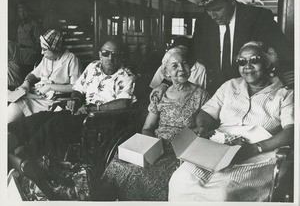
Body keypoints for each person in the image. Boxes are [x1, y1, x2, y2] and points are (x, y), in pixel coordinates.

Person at [8, 39, 136, 200]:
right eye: (106, 53)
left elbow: (124, 102)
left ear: (122, 57)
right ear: (100, 54)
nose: (110, 58)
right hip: (82, 112)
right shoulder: (92, 67)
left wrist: (92, 109)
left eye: (116, 55)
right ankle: (9, 136)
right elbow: (78, 89)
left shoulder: (126, 75)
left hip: (99, 120)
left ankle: (26, 160)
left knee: (56, 123)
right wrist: (75, 100)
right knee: (41, 118)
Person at [168, 41, 294, 201]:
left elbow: (291, 132)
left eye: (254, 60)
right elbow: (206, 112)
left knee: (221, 192)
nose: (247, 66)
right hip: (220, 148)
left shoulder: (285, 94)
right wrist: (202, 127)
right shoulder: (229, 86)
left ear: (266, 62)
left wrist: (255, 148)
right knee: (180, 179)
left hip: (259, 153)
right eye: (242, 62)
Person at [98, 46, 211, 201]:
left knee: (142, 174)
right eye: (175, 66)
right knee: (118, 164)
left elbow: (205, 127)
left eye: (184, 63)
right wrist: (151, 148)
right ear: (166, 73)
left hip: (180, 152)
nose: (181, 69)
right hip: (157, 145)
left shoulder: (202, 95)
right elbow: (148, 127)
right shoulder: (161, 94)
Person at [190, 0, 294, 94]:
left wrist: (291, 85)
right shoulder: (203, 22)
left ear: (231, 0)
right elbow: (192, 49)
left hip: (253, 92)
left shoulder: (258, 17)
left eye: (218, 9)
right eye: (208, 10)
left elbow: (285, 53)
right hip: (216, 93)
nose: (213, 16)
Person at [8, 29, 82, 123]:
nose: (42, 53)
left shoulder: (72, 60)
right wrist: (26, 83)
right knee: (14, 106)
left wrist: (50, 87)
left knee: (32, 123)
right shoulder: (46, 58)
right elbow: (33, 74)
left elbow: (76, 87)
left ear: (55, 49)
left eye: (44, 49)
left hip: (54, 101)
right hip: (37, 97)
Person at [15, 3, 42, 75]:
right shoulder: (20, 25)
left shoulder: (34, 24)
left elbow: (38, 41)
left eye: (24, 11)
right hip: (21, 53)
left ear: (28, 12)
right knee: (21, 72)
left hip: (30, 53)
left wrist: (36, 55)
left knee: (28, 73)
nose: (22, 13)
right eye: (20, 11)